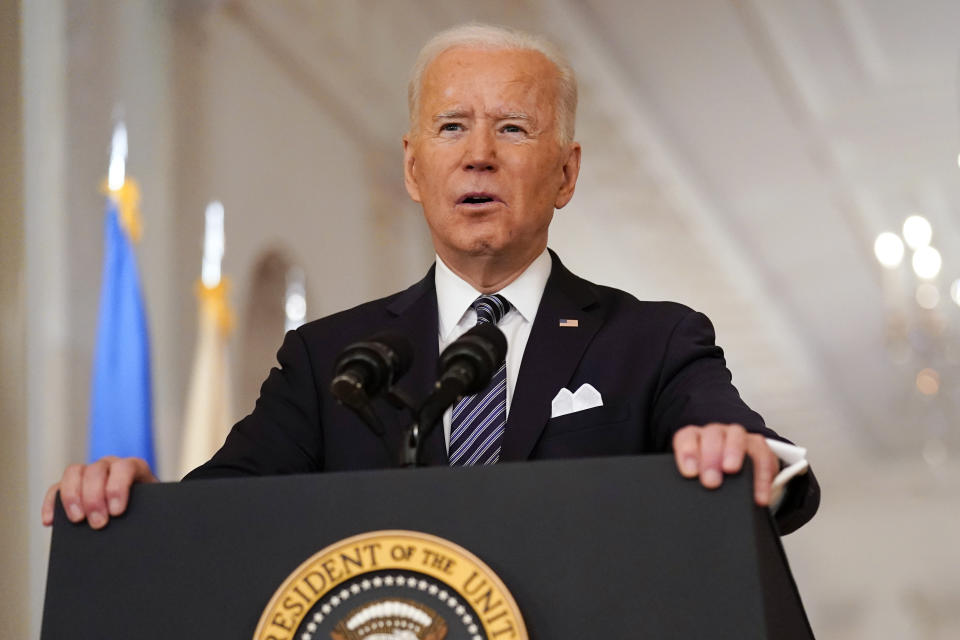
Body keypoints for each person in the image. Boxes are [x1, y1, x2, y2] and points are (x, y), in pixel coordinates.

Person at [42, 23, 819, 535]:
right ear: (415, 170)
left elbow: (764, 457)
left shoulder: (652, 341)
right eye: (452, 128)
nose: (479, 154)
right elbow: (224, 512)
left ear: (566, 174)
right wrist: (135, 499)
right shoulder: (330, 361)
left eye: (513, 128)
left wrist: (740, 453)